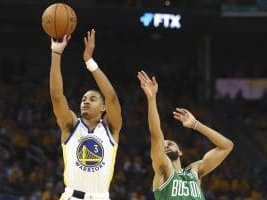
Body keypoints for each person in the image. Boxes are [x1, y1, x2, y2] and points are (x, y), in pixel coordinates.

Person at [137, 70, 233, 200]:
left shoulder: (195, 170)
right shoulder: (164, 169)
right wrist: (152, 98)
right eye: (163, 145)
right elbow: (156, 134)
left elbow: (226, 146)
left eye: (169, 143)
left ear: (180, 151)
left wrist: (196, 124)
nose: (165, 145)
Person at [50, 29, 122, 200]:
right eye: (83, 99)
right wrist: (56, 53)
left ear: (103, 107)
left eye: (92, 99)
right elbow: (57, 96)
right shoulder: (71, 125)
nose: (86, 101)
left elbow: (112, 97)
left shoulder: (111, 128)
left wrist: (90, 62)